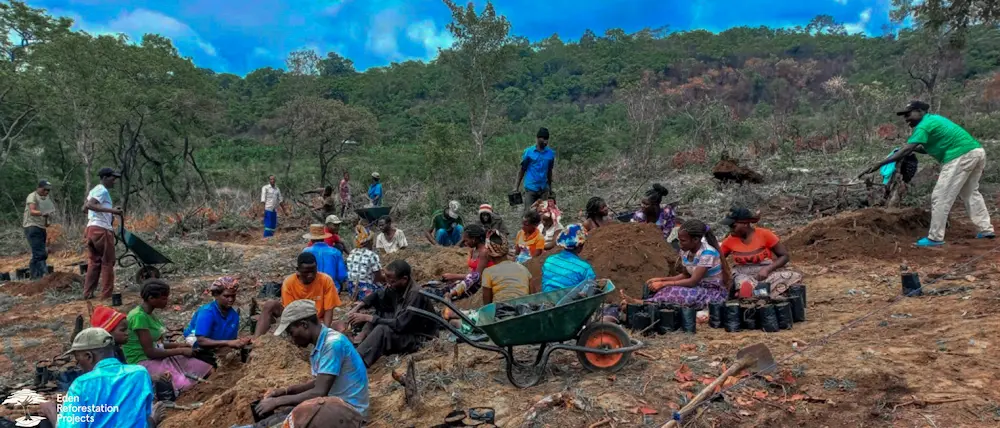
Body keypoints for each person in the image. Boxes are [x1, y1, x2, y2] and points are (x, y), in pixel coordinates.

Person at [860, 101, 995, 246]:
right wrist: (910, 149)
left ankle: (935, 237)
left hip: (960, 156)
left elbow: (907, 149)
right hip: (976, 152)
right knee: (970, 193)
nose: (906, 119)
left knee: (940, 196)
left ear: (920, 111)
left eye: (909, 114)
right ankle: (986, 229)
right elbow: (926, 148)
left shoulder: (924, 125)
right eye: (905, 116)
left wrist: (880, 164)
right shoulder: (934, 120)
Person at [254, 299, 369, 420]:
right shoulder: (323, 343)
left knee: (286, 420)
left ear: (304, 325)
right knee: (281, 416)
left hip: (350, 413)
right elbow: (319, 382)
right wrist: (285, 391)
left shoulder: (332, 344)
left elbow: (319, 392)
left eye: (291, 332)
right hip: (337, 406)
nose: (292, 339)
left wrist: (277, 401)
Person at [39, 328, 163, 428]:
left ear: (88, 356)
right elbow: (138, 419)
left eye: (78, 359)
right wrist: (152, 420)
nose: (78, 365)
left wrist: (51, 412)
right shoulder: (139, 373)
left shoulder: (81, 384)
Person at [123, 279, 212, 394]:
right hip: (142, 361)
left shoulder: (149, 314)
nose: (167, 301)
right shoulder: (138, 317)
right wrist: (180, 350)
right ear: (151, 299)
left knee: (206, 369)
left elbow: (155, 344)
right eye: (164, 298)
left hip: (157, 354)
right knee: (185, 386)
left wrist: (179, 345)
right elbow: (150, 352)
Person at [347, 260, 438, 367]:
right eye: (387, 281)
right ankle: (360, 340)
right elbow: (378, 295)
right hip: (406, 329)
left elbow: (400, 325)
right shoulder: (397, 287)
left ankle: (355, 363)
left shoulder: (415, 294)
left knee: (382, 329)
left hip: (418, 338)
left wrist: (369, 318)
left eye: (392, 282)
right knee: (380, 313)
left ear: (404, 279)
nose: (389, 285)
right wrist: (359, 305)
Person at [625, 220, 727, 307]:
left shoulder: (707, 253)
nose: (679, 244)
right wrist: (661, 280)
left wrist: (663, 283)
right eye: (679, 240)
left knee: (677, 293)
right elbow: (685, 275)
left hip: (711, 292)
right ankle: (647, 303)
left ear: (695, 240)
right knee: (667, 289)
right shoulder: (686, 250)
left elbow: (693, 281)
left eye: (683, 241)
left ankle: (642, 303)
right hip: (698, 288)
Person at [719, 207, 803, 298]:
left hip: (765, 272)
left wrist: (768, 269)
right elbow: (718, 260)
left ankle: (751, 295)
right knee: (743, 283)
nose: (730, 229)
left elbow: (784, 256)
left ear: (745, 223)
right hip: (742, 274)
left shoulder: (764, 234)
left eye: (733, 226)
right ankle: (757, 293)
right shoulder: (728, 241)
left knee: (794, 276)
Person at [254, 253, 342, 337]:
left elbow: (329, 309)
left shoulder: (326, 280)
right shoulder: (289, 283)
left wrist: (324, 332)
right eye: (306, 272)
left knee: (340, 327)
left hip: (317, 321)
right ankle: (256, 340)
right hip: (295, 318)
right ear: (298, 270)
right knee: (270, 304)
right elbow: (290, 312)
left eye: (313, 271)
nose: (310, 275)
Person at [183, 277, 251, 368]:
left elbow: (231, 339)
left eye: (233, 296)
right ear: (216, 295)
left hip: (217, 347)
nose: (231, 299)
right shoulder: (207, 312)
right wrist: (228, 343)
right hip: (197, 348)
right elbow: (201, 341)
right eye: (226, 296)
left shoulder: (233, 315)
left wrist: (238, 342)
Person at [83, 168, 123, 300]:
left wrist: (107, 212)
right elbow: (89, 205)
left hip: (91, 229)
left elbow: (85, 208)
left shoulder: (94, 190)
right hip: (101, 229)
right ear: (105, 178)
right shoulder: (102, 190)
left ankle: (88, 293)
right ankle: (106, 295)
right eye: (113, 178)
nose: (114, 181)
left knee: (94, 262)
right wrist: (113, 211)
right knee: (107, 262)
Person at [439, 225, 493, 300]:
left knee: (451, 291)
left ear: (474, 239)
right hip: (471, 280)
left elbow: (476, 277)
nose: (464, 243)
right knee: (443, 289)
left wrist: (454, 276)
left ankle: (451, 294)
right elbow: (471, 273)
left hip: (481, 282)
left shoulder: (484, 252)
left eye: (466, 240)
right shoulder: (473, 250)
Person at [482, 232, 535, 304]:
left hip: (502, 312)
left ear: (489, 253)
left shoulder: (488, 272)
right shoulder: (523, 269)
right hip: (525, 310)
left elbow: (487, 305)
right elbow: (535, 298)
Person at [541, 224, 596, 293]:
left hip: (546, 300)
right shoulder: (585, 268)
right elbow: (590, 290)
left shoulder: (549, 260)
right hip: (570, 302)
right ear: (580, 245)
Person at [515, 127, 556, 210]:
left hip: (543, 188)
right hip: (531, 188)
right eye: (543, 139)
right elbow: (522, 170)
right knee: (529, 214)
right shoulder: (529, 152)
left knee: (544, 213)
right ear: (537, 138)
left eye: (547, 139)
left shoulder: (550, 154)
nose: (546, 141)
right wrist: (516, 187)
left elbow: (549, 171)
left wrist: (550, 188)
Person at [24, 180, 55, 280]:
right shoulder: (32, 196)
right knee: (40, 253)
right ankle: (39, 275)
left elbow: (47, 214)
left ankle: (37, 276)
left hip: (41, 227)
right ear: (39, 188)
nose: (46, 192)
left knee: (39, 253)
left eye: (48, 190)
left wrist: (46, 220)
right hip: (32, 226)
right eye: (44, 189)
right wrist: (43, 212)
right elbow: (32, 211)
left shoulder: (46, 199)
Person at [303, 224, 349, 291]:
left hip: (311, 290)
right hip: (332, 289)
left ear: (311, 239)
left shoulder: (305, 251)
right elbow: (342, 275)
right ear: (324, 237)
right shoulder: (335, 252)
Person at [345, 228, 384, 301]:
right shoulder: (372, 255)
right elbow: (378, 277)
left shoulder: (352, 252)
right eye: (372, 240)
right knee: (383, 290)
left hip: (351, 288)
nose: (373, 242)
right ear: (367, 242)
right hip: (365, 291)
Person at [260, 175, 288, 239]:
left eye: (273, 179)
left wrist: (285, 210)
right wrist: (262, 210)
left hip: (274, 210)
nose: (272, 180)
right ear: (269, 180)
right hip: (267, 209)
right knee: (268, 225)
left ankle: (270, 239)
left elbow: (280, 201)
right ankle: (265, 239)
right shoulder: (265, 188)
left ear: (275, 180)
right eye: (271, 179)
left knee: (273, 225)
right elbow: (263, 199)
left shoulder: (277, 189)